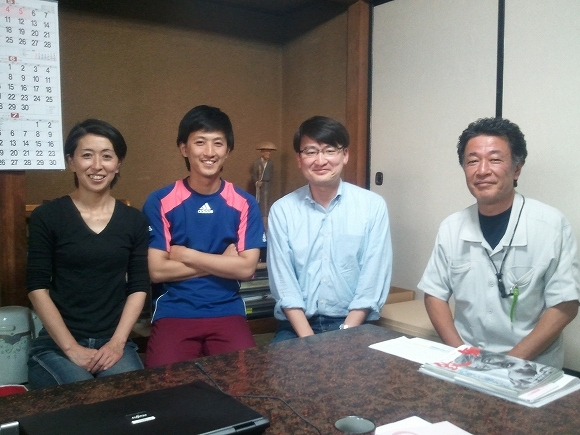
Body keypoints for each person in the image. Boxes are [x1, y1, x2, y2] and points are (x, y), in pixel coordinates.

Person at [418, 117, 580, 369]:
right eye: (473, 161)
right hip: (467, 361)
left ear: (517, 169)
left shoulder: (551, 225)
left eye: (495, 159)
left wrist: (509, 362)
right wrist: (461, 353)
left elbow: (565, 304)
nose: (482, 170)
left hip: (531, 365)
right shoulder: (452, 227)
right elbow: (434, 294)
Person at [26, 119, 149, 389]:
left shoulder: (134, 220)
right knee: (83, 396)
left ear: (118, 164)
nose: (97, 165)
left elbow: (139, 286)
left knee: (131, 400)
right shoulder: (47, 216)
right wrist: (71, 349)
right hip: (57, 345)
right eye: (87, 155)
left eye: (106, 156)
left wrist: (117, 344)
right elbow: (37, 287)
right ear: (71, 162)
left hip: (114, 341)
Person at [143, 105, 265, 367]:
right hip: (174, 310)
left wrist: (185, 254)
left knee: (245, 382)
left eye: (218, 143)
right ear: (184, 148)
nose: (209, 152)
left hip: (227, 309)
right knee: (164, 384)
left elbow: (246, 269)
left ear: (227, 151)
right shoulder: (160, 201)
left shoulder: (244, 203)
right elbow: (157, 271)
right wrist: (223, 262)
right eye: (200, 142)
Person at [267, 116, 392, 342]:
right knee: (280, 365)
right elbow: (284, 285)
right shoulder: (282, 210)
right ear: (299, 159)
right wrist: (310, 341)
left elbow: (372, 280)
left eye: (330, 150)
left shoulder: (372, 206)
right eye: (311, 151)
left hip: (353, 324)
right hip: (297, 326)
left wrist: (345, 332)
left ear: (345, 155)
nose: (320, 160)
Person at [252, 141, 277, 229]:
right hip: (260, 186)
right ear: (262, 153)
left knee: (266, 204)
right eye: (266, 152)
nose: (268, 154)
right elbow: (254, 175)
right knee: (260, 203)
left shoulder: (271, 163)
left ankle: (266, 223)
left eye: (269, 152)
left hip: (267, 185)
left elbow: (271, 175)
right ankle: (260, 222)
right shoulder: (257, 163)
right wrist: (257, 182)